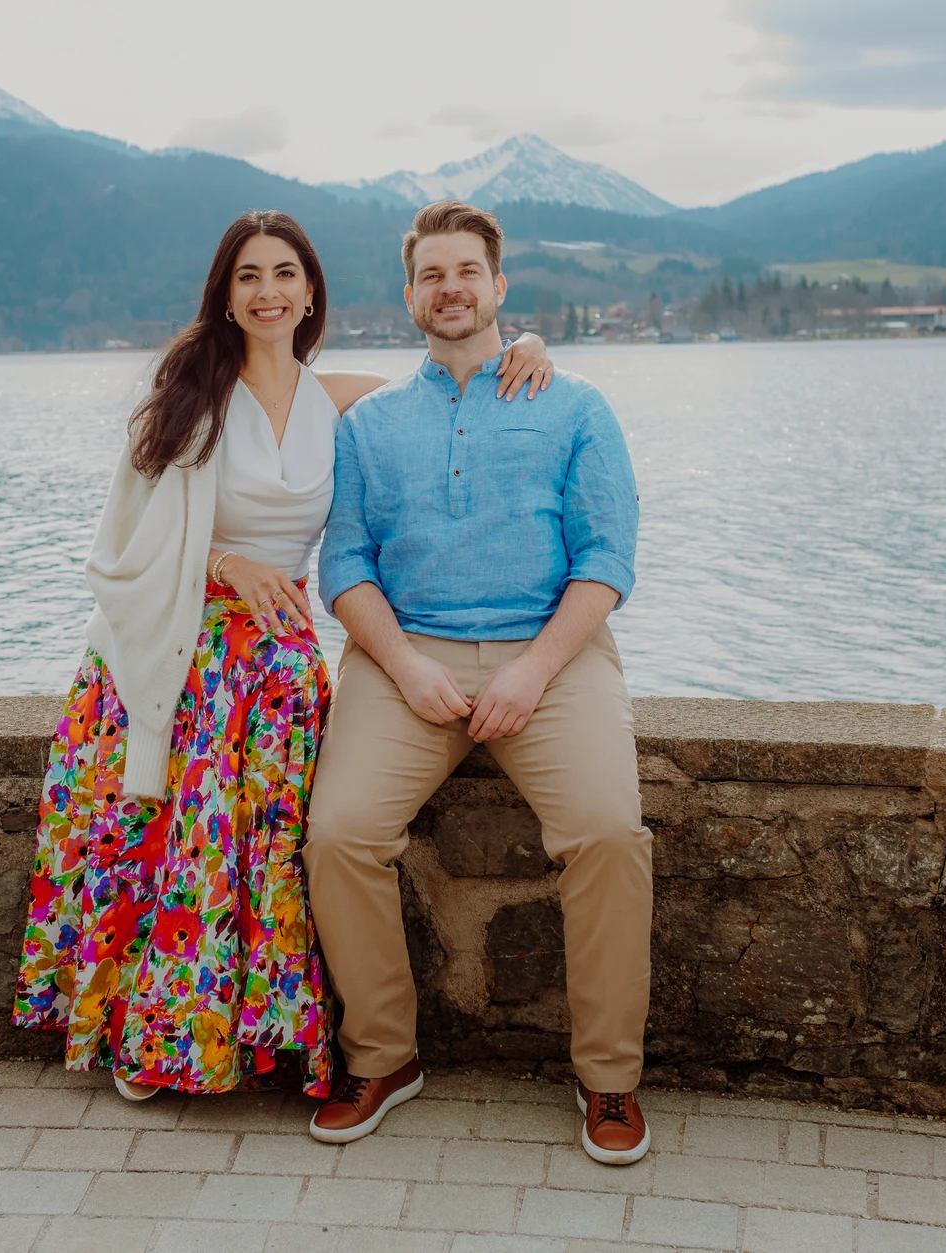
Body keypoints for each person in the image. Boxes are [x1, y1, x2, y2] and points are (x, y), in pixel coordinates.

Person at [12, 209, 554, 1101]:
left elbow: (458, 373)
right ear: (226, 297)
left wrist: (527, 341)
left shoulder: (338, 398)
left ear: (311, 292)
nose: (269, 292)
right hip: (176, 654)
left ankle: (229, 1034)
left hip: (274, 668)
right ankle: (148, 1035)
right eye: (249, 277)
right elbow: (126, 537)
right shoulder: (189, 392)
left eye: (285, 275)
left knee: (251, 859)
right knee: (167, 851)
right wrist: (224, 560)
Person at [304, 200, 653, 1164]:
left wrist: (534, 672)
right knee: (338, 834)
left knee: (609, 835)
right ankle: (383, 1055)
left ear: (500, 286)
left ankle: (609, 1078)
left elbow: (608, 560)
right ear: (410, 293)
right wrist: (406, 667)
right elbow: (346, 564)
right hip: (402, 655)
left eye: (468, 271)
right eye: (431, 274)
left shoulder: (574, 405)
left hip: (553, 655)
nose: (450, 288)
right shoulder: (370, 423)